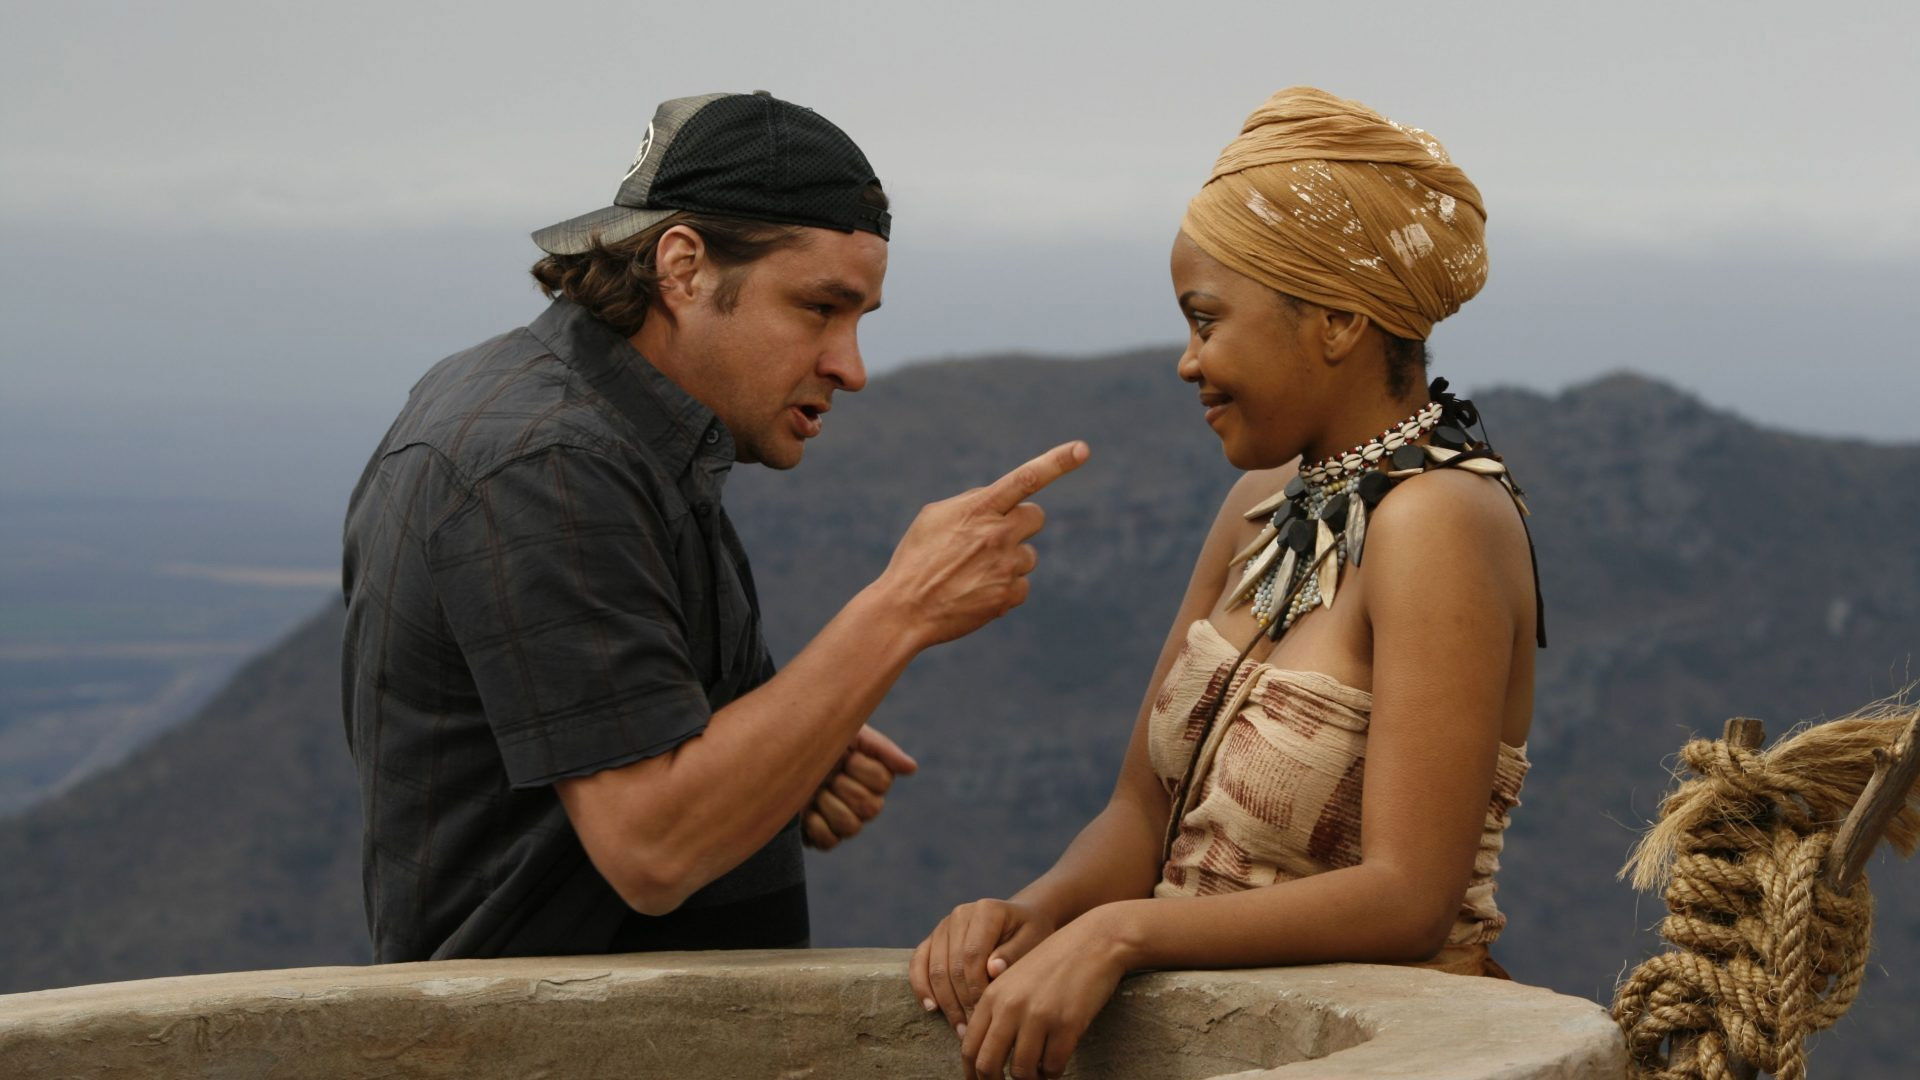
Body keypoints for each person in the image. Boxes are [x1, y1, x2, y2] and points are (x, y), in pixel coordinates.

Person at [341, 90, 1088, 963]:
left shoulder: (596, 423)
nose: (850, 367)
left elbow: (605, 748)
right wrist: (903, 607)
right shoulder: (549, 464)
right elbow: (653, 848)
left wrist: (790, 757)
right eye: (819, 308)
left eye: (858, 320)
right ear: (684, 266)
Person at [910, 86, 1545, 1080]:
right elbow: (1139, 813)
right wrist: (1032, 914)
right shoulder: (1261, 501)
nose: (1187, 362)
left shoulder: (1440, 522)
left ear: (1337, 319)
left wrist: (1119, 934)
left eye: (1207, 322)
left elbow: (1408, 896)